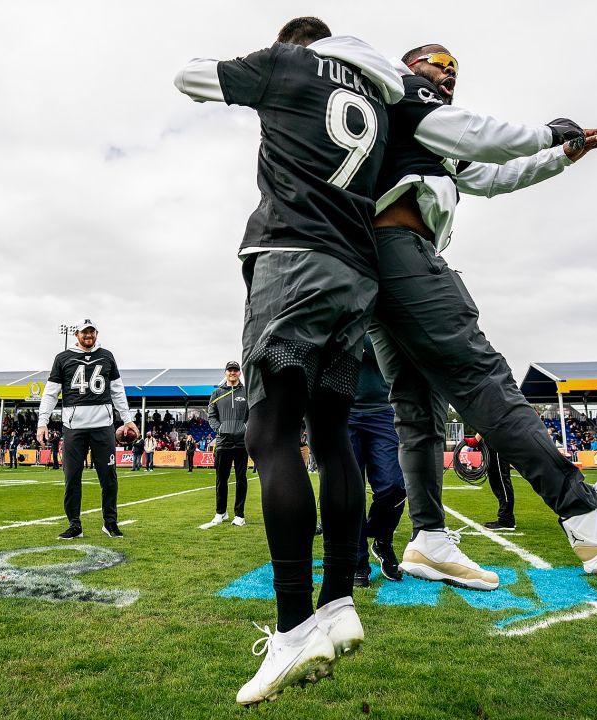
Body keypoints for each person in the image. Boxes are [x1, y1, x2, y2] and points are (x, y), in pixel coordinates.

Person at [365, 42, 597, 593]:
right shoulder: (405, 97)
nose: (449, 75)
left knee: (418, 412)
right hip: (400, 250)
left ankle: (429, 537)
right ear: (411, 67)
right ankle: (586, 515)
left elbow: (492, 176)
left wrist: (560, 157)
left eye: (455, 70)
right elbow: (478, 135)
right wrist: (549, 133)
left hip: (373, 263)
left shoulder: (412, 133)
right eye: (439, 64)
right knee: (480, 378)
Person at [176, 17, 405, 705]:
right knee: (332, 437)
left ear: (295, 42)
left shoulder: (290, 64)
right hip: (354, 277)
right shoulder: (375, 93)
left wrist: (267, 72)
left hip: (292, 261)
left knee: (270, 434)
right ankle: (338, 599)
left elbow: (190, 75)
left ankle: (291, 624)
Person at [36, 318, 139, 539]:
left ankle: (110, 523)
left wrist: (127, 419)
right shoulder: (63, 358)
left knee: (108, 478)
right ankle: (75, 525)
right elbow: (51, 392)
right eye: (84, 332)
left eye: (91, 332)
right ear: (76, 335)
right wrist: (42, 422)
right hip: (74, 427)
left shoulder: (107, 356)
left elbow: (118, 390)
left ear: (96, 333)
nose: (88, 336)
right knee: (72, 477)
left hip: (103, 426)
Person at [347, 338, 406, 585]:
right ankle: (358, 562)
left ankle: (382, 540)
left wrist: (359, 334)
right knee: (351, 492)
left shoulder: (379, 316)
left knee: (395, 486)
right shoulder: (337, 311)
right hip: (344, 411)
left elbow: (389, 352)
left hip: (382, 410)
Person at [206, 361, 250, 526]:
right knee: (221, 479)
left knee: (241, 478)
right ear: (225, 373)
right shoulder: (216, 393)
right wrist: (219, 429)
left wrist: (245, 427)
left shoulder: (247, 392)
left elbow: (253, 412)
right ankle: (221, 513)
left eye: (235, 370)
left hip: (241, 442)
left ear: (239, 373)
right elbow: (211, 415)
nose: (233, 373)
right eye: (230, 370)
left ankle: (239, 515)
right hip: (223, 442)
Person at [479, 434, 516, 530]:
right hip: (492, 441)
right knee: (495, 481)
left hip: (498, 441)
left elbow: (491, 421)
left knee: (501, 481)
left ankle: (506, 520)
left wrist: (476, 438)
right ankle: (506, 517)